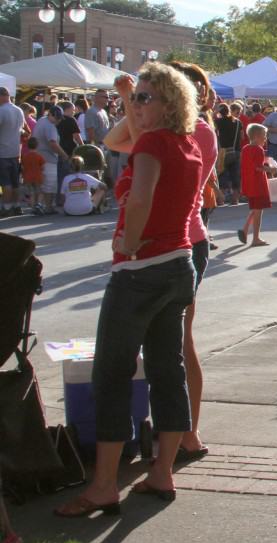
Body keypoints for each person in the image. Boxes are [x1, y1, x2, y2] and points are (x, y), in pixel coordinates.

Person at [54, 62, 205, 518]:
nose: (136, 104)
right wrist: (128, 101)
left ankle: (103, 485)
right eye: (135, 97)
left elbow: (139, 198)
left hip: (143, 269)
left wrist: (129, 240)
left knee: (111, 374)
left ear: (168, 103)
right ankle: (161, 471)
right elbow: (121, 140)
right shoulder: (185, 143)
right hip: (178, 265)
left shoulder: (155, 144)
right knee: (166, 368)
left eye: (144, 97)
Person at [239, 124, 273, 247]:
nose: (265, 139)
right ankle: (256, 238)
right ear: (257, 136)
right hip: (258, 185)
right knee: (258, 211)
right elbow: (258, 167)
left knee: (254, 209)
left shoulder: (245, 148)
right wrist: (271, 170)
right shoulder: (258, 149)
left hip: (249, 184)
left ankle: (245, 229)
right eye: (264, 136)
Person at [30, 106, 68, 215]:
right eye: (57, 118)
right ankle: (48, 207)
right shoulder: (50, 126)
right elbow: (53, 143)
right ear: (50, 114)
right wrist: (64, 154)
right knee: (50, 185)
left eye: (60, 118)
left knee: (40, 184)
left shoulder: (41, 120)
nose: (58, 120)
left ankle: (38, 205)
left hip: (38, 156)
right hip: (48, 159)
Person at [0, 87, 27, 218]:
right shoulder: (19, 110)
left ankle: (6, 207)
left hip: (2, 151)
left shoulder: (1, 111)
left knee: (6, 182)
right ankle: (17, 205)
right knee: (15, 181)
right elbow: (22, 130)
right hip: (16, 150)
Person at [213, 102, 242, 205]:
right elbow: (241, 136)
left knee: (223, 175)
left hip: (224, 152)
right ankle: (235, 199)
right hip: (236, 150)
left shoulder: (219, 122)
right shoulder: (238, 122)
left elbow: (212, 122)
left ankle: (220, 200)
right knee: (235, 175)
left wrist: (215, 111)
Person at [21, 137, 45, 213]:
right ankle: (39, 203)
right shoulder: (39, 156)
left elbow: (23, 166)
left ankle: (33, 207)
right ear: (37, 145)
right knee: (40, 191)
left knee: (31, 192)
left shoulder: (25, 156)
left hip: (28, 177)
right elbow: (43, 167)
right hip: (37, 176)